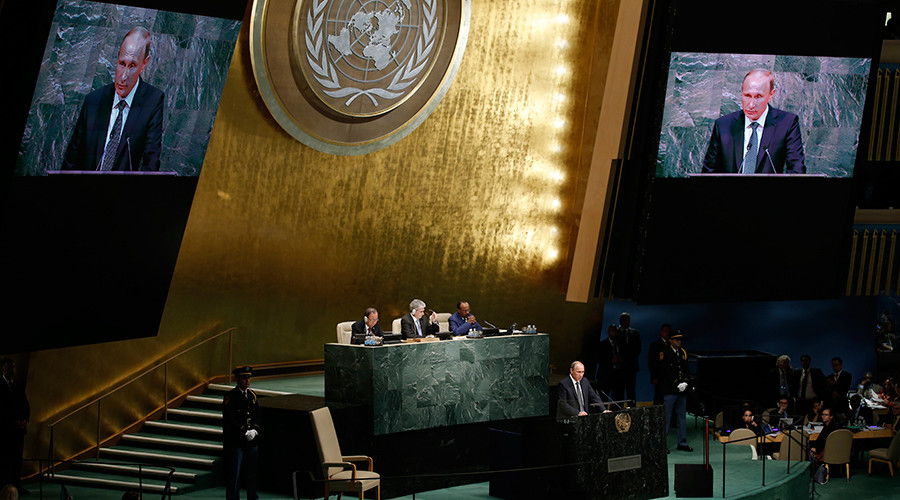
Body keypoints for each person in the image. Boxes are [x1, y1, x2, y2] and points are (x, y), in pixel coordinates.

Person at [61, 27, 164, 172]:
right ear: (117, 58)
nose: (123, 76)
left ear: (144, 63)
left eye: (132, 65)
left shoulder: (153, 101)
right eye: (122, 64)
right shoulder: (93, 101)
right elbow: (71, 161)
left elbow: (151, 164)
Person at [702, 69, 805, 175]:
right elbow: (709, 172)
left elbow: (796, 171)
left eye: (758, 97)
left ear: (771, 94)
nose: (751, 104)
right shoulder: (723, 125)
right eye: (747, 96)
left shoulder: (787, 123)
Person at [222, 366, 261, 500]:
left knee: (252, 473)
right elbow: (230, 418)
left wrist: (255, 429)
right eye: (244, 378)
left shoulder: (252, 395)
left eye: (249, 377)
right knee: (235, 474)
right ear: (237, 379)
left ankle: (252, 497)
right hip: (236, 441)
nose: (247, 380)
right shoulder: (230, 397)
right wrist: (244, 431)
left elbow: (257, 415)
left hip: (251, 441)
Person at [0, 359, 29, 495]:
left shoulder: (17, 384)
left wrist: (24, 420)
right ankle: (5, 489)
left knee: (17, 460)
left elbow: (25, 404)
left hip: (18, 432)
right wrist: (12, 422)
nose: (13, 370)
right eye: (10, 367)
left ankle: (17, 486)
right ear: (3, 369)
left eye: (14, 367)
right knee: (5, 461)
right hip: (5, 431)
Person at [660, 331, 692, 452]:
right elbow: (665, 370)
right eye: (676, 339)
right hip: (670, 390)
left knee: (681, 417)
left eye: (680, 339)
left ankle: (682, 443)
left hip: (682, 390)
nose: (679, 341)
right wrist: (676, 383)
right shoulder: (665, 353)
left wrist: (685, 381)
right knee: (667, 419)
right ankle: (663, 445)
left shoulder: (682, 353)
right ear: (671, 340)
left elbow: (686, 369)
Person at [596, 325, 628, 402]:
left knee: (617, 398)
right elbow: (599, 358)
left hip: (618, 375)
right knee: (603, 397)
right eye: (612, 331)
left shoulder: (621, 345)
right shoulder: (602, 345)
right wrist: (611, 360)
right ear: (608, 332)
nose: (614, 333)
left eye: (615, 331)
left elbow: (626, 356)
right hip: (606, 375)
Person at [615, 313, 641, 404]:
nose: (627, 322)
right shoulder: (616, 332)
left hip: (631, 367)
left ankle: (632, 411)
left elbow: (638, 349)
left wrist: (627, 359)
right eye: (625, 320)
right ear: (620, 321)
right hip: (619, 368)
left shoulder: (635, 333)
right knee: (619, 391)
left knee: (631, 391)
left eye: (628, 320)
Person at [647, 323, 671, 405]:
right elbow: (651, 362)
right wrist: (654, 376)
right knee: (659, 397)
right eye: (665, 331)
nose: (667, 333)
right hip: (659, 377)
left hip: (670, 377)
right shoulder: (655, 345)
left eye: (669, 331)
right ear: (661, 332)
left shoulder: (672, 345)